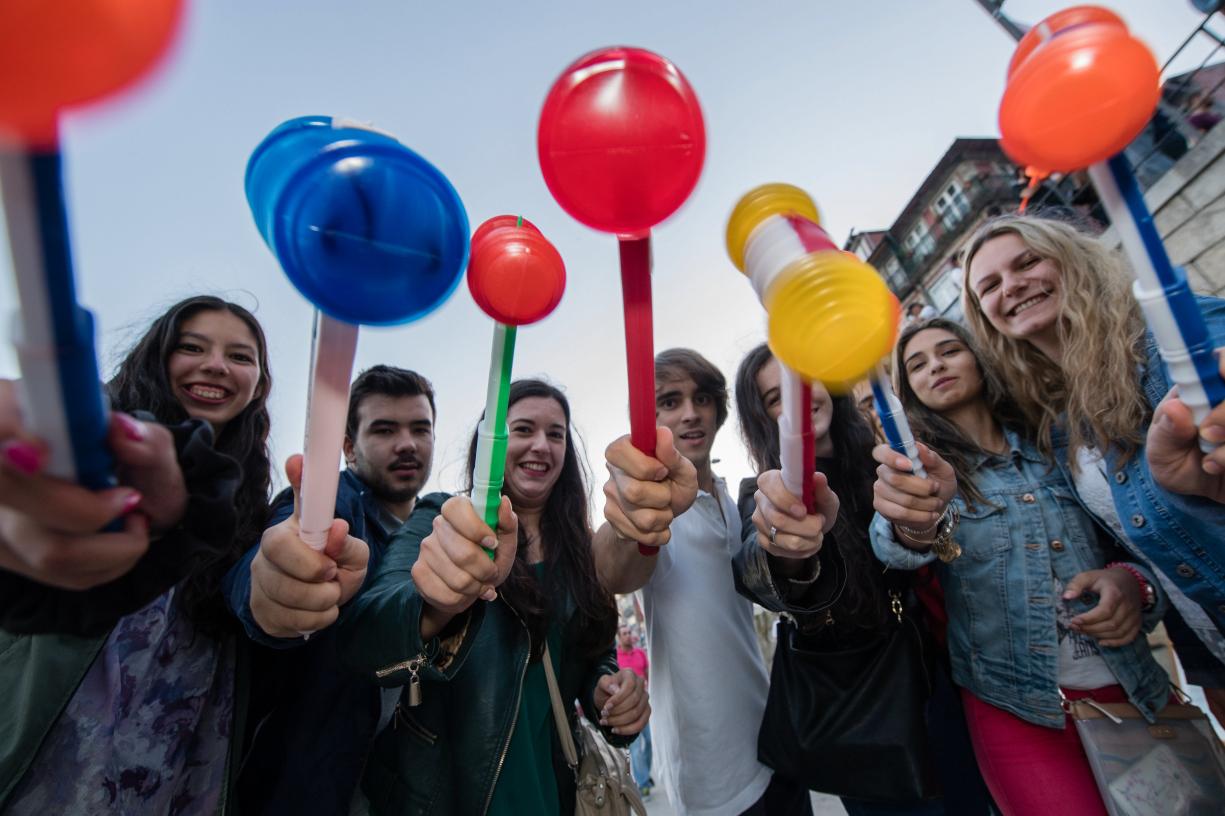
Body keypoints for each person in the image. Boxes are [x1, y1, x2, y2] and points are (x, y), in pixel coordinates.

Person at [871, 318, 1172, 816]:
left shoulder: (1060, 444)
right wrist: (913, 519)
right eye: (917, 364)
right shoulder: (925, 474)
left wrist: (1133, 584)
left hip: (1132, 685)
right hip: (1016, 709)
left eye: (949, 351)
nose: (936, 366)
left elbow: (1144, 546)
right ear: (909, 393)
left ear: (981, 361)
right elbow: (898, 545)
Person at [0, 295, 273, 814]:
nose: (216, 364)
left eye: (240, 356)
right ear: (157, 355)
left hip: (177, 752)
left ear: (258, 385)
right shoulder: (94, 433)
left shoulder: (255, 504)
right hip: (51, 745)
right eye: (192, 347)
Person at [339, 379, 650, 815]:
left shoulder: (586, 552)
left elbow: (592, 655)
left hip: (550, 789)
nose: (541, 445)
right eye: (523, 429)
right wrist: (440, 602)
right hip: (446, 797)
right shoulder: (444, 519)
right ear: (492, 443)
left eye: (555, 434)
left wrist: (610, 691)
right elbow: (371, 636)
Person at [959, 213, 1225, 717]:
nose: (1011, 287)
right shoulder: (1059, 417)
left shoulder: (1169, 341)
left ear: (1073, 262)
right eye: (989, 286)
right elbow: (1152, 541)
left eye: (1028, 262)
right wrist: (1130, 581)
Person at [732, 342, 993, 816]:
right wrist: (788, 550)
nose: (798, 399)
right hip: (857, 712)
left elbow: (932, 541)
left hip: (935, 680)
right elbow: (759, 570)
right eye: (776, 397)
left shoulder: (887, 460)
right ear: (763, 418)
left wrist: (923, 520)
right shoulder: (765, 493)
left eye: (804, 381)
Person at [596, 348, 814, 816]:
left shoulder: (736, 499)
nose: (691, 413)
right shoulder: (651, 510)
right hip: (714, 778)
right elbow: (614, 569)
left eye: (702, 398)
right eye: (669, 402)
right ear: (647, 418)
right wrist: (632, 521)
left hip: (775, 742)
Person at [223, 365, 436, 814]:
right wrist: (271, 587)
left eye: (420, 428)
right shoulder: (334, 502)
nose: (407, 443)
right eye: (384, 429)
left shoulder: (434, 536)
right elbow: (275, 552)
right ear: (348, 448)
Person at [617, 624, 653, 796]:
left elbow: (647, 673)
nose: (627, 635)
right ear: (619, 637)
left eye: (629, 632)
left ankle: (643, 773)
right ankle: (644, 782)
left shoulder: (640, 653)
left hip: (645, 704)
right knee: (636, 748)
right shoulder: (616, 658)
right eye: (624, 633)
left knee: (650, 742)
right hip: (629, 710)